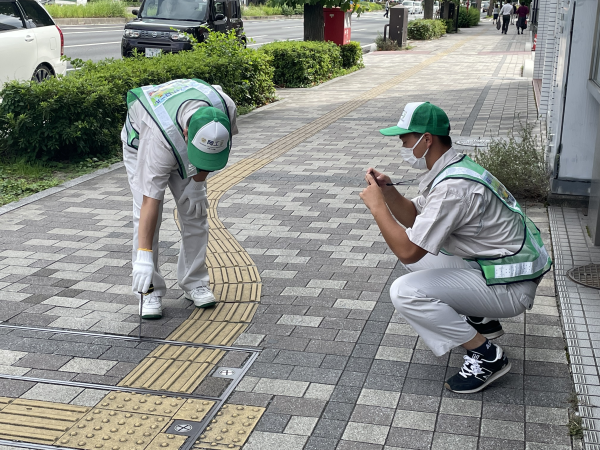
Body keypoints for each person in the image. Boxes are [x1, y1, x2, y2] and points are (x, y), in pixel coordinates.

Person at [360, 102, 551, 393]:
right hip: (494, 269)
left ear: (426, 139)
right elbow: (415, 218)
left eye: (405, 137)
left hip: (511, 287)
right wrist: (388, 192)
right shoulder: (453, 167)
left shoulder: (453, 187)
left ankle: (486, 355)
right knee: (420, 260)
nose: (401, 143)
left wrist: (378, 209)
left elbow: (408, 249)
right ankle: (481, 317)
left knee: (405, 291)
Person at [122, 78, 238, 319]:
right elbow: (149, 201)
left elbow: (213, 152)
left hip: (177, 136)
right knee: (146, 222)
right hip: (144, 142)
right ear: (187, 133)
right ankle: (149, 289)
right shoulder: (157, 138)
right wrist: (143, 256)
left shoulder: (225, 109)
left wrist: (198, 184)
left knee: (195, 211)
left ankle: (194, 281)